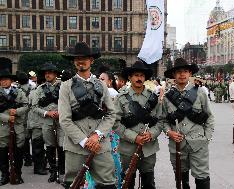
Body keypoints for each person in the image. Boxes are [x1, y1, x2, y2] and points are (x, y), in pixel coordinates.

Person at [59, 42, 117, 189]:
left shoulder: (102, 85)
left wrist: (97, 135)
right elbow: (64, 120)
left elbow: (111, 114)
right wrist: (85, 141)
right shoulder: (65, 87)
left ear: (91, 60)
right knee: (73, 183)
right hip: (75, 146)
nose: (80, 60)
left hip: (100, 144)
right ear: (73, 61)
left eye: (84, 57)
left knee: (107, 183)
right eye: (77, 57)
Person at [163, 58, 214, 189]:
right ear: (174, 75)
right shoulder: (168, 97)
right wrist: (169, 132)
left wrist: (206, 138)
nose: (182, 74)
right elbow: (163, 120)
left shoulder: (200, 92)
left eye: (185, 71)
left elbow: (209, 117)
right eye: (179, 72)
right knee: (181, 178)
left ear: (190, 74)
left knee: (202, 176)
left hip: (198, 143)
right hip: (177, 144)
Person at [113, 60, 163, 189]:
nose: (139, 78)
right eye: (136, 75)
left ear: (145, 78)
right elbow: (115, 123)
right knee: (128, 182)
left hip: (148, 147)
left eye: (141, 75)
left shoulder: (153, 97)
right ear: (130, 77)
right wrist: (134, 137)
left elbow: (161, 120)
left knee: (149, 183)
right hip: (128, 148)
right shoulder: (121, 97)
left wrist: (151, 134)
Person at [32, 63, 65, 182]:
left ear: (55, 74)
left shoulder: (64, 86)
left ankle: (63, 170)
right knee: (50, 146)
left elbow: (71, 103)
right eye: (46, 73)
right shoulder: (40, 89)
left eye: (50, 73)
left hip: (62, 120)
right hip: (47, 121)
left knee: (62, 145)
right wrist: (47, 113)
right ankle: (53, 171)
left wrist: (62, 112)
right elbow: (34, 107)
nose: (47, 75)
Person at [0, 69, 29, 185]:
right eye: (1, 80)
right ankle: (5, 175)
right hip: (3, 127)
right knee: (2, 152)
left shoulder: (19, 92)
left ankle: (17, 174)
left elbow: (26, 105)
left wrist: (16, 111)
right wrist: (7, 118)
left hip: (17, 126)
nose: (3, 82)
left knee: (18, 152)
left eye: (6, 79)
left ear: (11, 81)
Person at [27, 75, 48, 175]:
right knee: (38, 146)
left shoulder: (33, 91)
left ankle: (41, 166)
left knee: (38, 146)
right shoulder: (37, 92)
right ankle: (39, 167)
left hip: (36, 122)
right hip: (37, 123)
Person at [16, 71, 34, 167]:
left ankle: (27, 158)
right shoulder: (34, 88)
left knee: (24, 138)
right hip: (33, 116)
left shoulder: (17, 89)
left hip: (22, 117)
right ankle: (36, 157)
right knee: (35, 138)